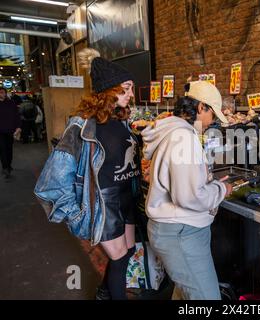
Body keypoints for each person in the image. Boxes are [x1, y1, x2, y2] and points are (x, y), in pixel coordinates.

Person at [34, 48, 140, 300]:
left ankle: (104, 292)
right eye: (126, 88)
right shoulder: (81, 126)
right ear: (109, 90)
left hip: (126, 198)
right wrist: (78, 214)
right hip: (105, 203)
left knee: (128, 251)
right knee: (118, 255)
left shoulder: (121, 118)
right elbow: (50, 183)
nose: (131, 94)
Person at [141, 80, 233, 300]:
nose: (212, 123)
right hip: (181, 233)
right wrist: (222, 188)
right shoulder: (183, 138)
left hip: (175, 231)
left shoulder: (175, 132)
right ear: (201, 107)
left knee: (185, 295)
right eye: (212, 115)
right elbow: (190, 197)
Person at [0, 87, 21, 179]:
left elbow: (17, 116)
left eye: (3, 92)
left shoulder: (11, 103)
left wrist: (19, 127)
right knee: (2, 149)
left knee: (9, 149)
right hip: (0, 132)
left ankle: (8, 164)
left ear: (5, 93)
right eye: (0, 92)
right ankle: (5, 167)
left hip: (10, 130)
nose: (2, 94)